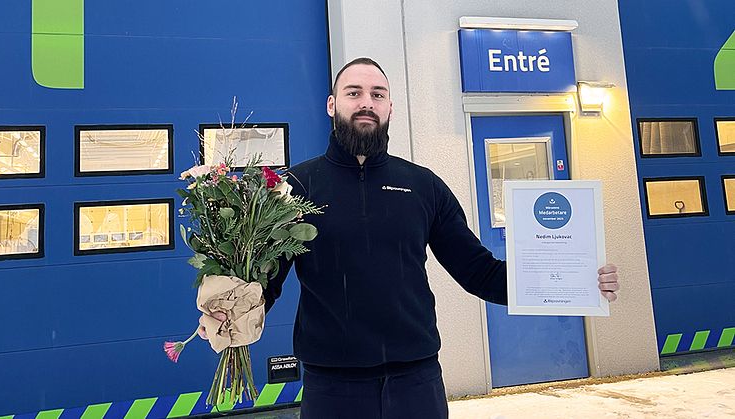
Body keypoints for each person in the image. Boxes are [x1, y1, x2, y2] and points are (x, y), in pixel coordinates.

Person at [202, 57, 620, 418]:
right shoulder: (295, 187)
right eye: (353, 92)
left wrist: (574, 283)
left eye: (377, 94)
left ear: (390, 108)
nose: (366, 102)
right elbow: (265, 281)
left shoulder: (423, 186)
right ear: (332, 105)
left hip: (416, 381)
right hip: (332, 386)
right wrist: (229, 310)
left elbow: (479, 272)